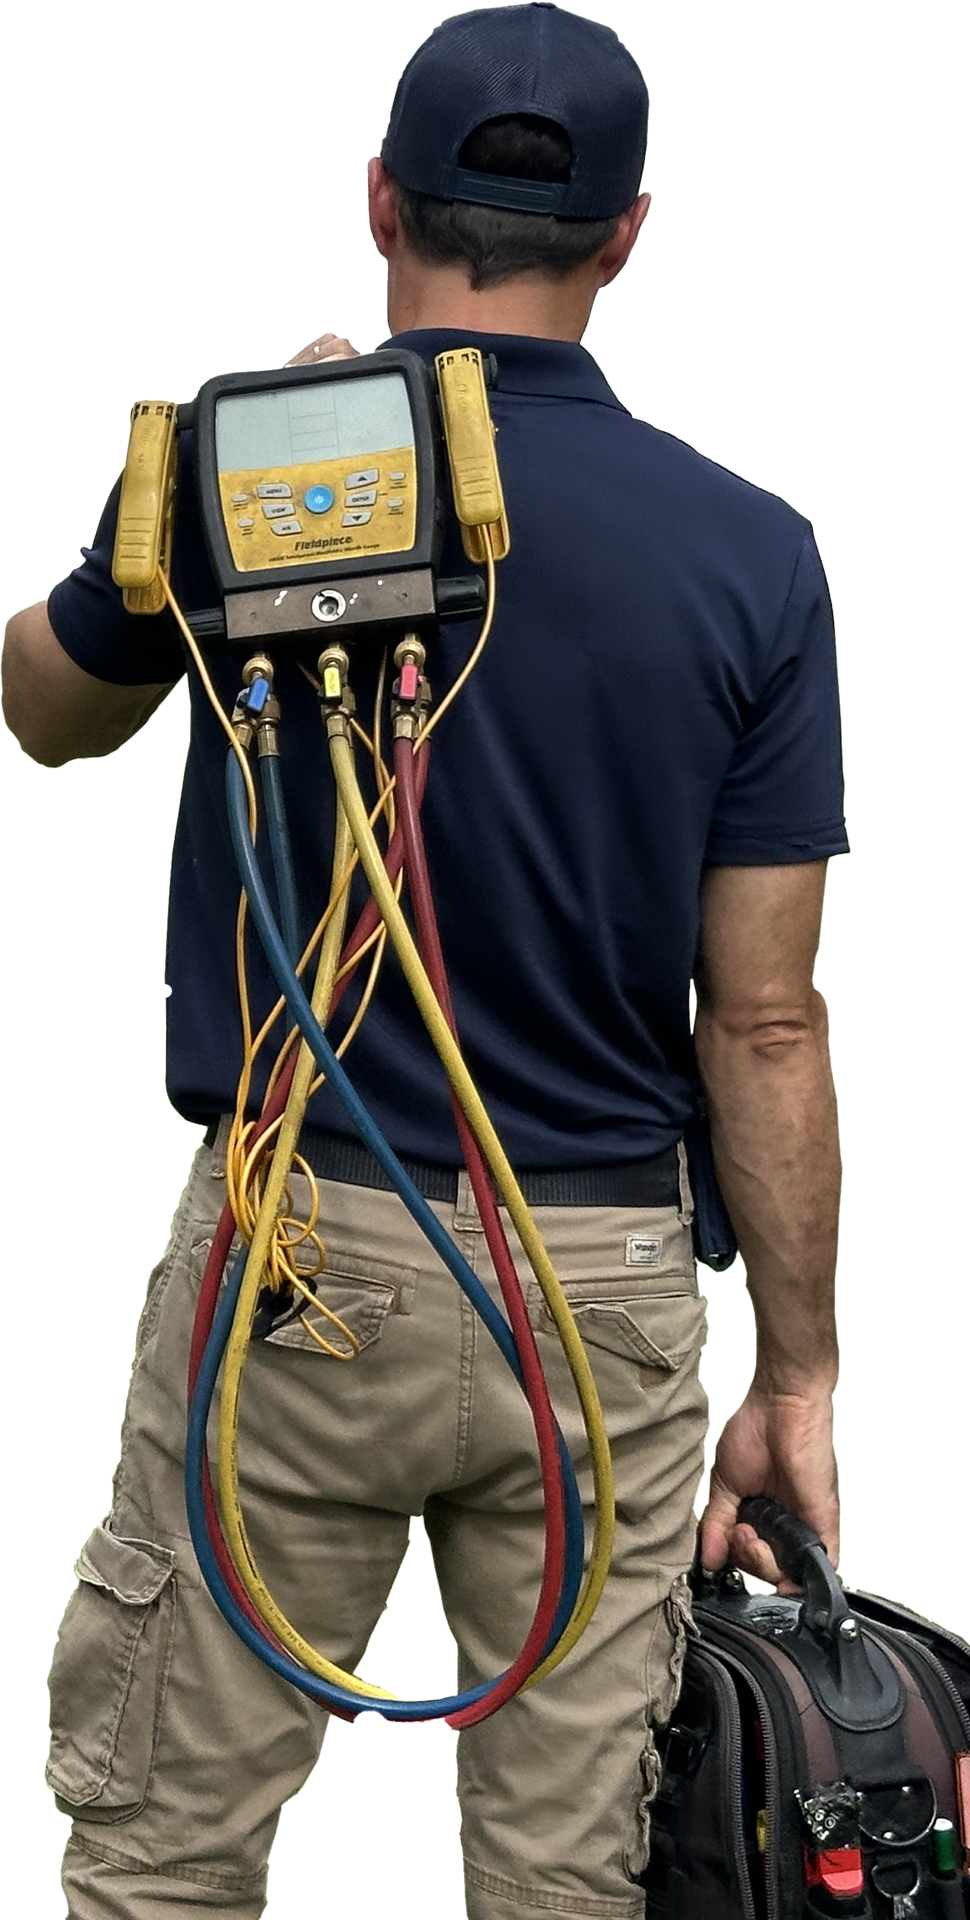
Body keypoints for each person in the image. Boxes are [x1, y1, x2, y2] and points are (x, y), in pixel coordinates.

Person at [0, 4, 847, 1915]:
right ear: (625, 234)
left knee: (165, 1854)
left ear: (380, 203)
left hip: (300, 1262)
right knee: (565, 1873)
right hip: (606, 1296)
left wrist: (174, 516)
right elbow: (768, 1019)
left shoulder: (243, 479)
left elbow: (40, 710)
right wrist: (790, 1376)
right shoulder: (751, 553)